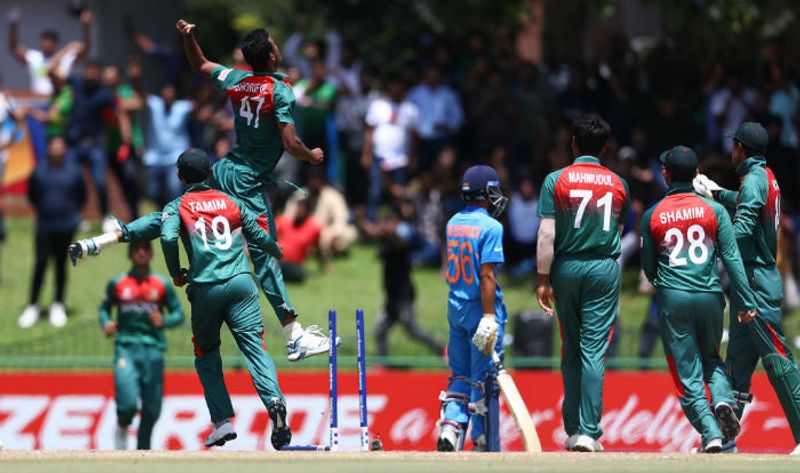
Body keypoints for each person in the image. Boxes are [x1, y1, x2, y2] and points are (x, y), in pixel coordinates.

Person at [69, 22, 333, 363]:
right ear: (272, 55)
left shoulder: (239, 79)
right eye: (275, 44)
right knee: (265, 255)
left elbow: (201, 64)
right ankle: (294, 335)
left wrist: (189, 36)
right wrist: (311, 155)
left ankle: (105, 240)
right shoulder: (279, 90)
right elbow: (289, 142)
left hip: (224, 167)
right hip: (248, 180)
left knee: (175, 212)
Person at [160, 148, 290, 449]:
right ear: (210, 174)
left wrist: (175, 271)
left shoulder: (178, 205)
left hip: (206, 287)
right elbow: (258, 235)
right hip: (241, 283)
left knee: (206, 352)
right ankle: (274, 402)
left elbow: (167, 237)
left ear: (180, 176)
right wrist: (274, 249)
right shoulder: (230, 201)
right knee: (256, 348)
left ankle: (221, 422)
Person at [641, 145, 757, 453]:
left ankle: (711, 435)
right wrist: (745, 299)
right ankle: (722, 400)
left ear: (665, 174)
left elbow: (649, 268)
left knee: (686, 372)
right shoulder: (715, 210)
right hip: (710, 296)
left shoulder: (653, 214)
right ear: (696, 174)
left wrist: (666, 287)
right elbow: (732, 258)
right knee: (711, 360)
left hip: (674, 297)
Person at [695, 122, 800, 455]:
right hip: (749, 283)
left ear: (740, 147)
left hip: (756, 281)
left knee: (778, 361)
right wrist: (715, 192)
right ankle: (724, 441)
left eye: (733, 146)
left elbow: (743, 226)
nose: (731, 151)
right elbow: (745, 202)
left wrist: (713, 243)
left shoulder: (754, 180)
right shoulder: (763, 177)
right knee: (736, 369)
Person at [536, 114, 630, 452]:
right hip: (603, 267)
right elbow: (619, 231)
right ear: (605, 147)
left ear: (573, 143)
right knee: (594, 351)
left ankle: (573, 430)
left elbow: (548, 233)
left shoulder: (555, 180)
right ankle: (590, 432)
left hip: (566, 267)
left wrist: (543, 279)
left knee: (571, 349)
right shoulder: (619, 183)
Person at [437, 164, 508, 452]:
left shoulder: (453, 222)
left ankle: (451, 429)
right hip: (481, 309)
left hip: (456, 306)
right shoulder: (492, 227)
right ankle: (481, 437)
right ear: (485, 193)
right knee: (485, 374)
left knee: (460, 372)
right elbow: (487, 275)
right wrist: (490, 316)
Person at [99, 239, 184, 450]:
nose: (141, 253)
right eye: (136, 249)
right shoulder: (118, 283)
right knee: (127, 404)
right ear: (130, 254)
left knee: (152, 410)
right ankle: (122, 425)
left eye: (145, 249)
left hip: (153, 350)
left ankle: (143, 452)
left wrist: (164, 321)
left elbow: (179, 314)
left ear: (151, 254)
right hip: (126, 348)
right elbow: (104, 308)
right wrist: (106, 322)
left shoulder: (161, 284)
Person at [19, 136, 85, 328]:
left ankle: (58, 304)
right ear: (48, 149)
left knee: (60, 266)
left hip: (66, 227)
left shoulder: (74, 171)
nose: (56, 150)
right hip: (44, 226)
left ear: (65, 149)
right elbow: (32, 195)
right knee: (40, 264)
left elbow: (81, 196)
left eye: (60, 146)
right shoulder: (39, 171)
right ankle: (32, 306)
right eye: (53, 146)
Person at [371, 198, 444, 358]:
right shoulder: (387, 237)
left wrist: (391, 232)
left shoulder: (404, 233)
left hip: (403, 295)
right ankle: (383, 363)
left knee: (412, 330)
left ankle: (443, 350)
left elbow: (402, 244)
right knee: (380, 330)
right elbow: (374, 233)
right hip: (392, 296)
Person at [65, 60, 132, 225]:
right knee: (72, 181)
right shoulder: (76, 83)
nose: (91, 74)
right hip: (75, 144)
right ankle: (76, 217)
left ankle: (105, 217)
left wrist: (126, 140)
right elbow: (54, 73)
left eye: (95, 71)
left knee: (100, 182)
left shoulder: (104, 93)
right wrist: (71, 52)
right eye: (89, 70)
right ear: (84, 71)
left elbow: (120, 114)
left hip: (95, 145)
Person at [361, 77, 419, 221]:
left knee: (399, 192)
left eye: (399, 86)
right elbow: (369, 132)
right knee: (376, 190)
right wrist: (366, 154)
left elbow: (414, 136)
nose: (397, 90)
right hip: (379, 156)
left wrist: (414, 157)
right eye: (394, 86)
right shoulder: (378, 105)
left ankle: (396, 224)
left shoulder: (409, 108)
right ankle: (371, 223)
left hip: (401, 158)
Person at [8, 8, 92, 96]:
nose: (47, 45)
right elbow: (15, 48)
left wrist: (86, 27)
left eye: (50, 42)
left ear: (56, 44)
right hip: (39, 99)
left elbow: (85, 49)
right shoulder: (35, 57)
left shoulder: (66, 58)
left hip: (60, 100)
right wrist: (13, 27)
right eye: (44, 42)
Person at [284, 169, 357, 262]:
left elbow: (341, 219)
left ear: (322, 181)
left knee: (350, 232)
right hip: (302, 233)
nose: (314, 183)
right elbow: (287, 219)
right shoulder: (299, 195)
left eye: (316, 180)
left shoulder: (332, 196)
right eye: (311, 179)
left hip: (326, 234)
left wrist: (330, 234)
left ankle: (322, 251)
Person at [142, 83, 193, 207]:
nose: (168, 96)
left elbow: (198, 105)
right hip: (154, 157)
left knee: (173, 190)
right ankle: (162, 209)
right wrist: (135, 79)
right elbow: (142, 95)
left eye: (171, 93)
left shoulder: (182, 107)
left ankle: (171, 216)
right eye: (166, 93)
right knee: (151, 192)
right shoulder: (155, 105)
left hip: (175, 157)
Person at [406, 65, 464, 171]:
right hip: (421, 140)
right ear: (425, 75)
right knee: (422, 171)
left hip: (442, 138)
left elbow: (458, 117)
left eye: (436, 73)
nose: (433, 76)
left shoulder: (449, 94)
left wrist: (448, 125)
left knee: (445, 169)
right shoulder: (415, 94)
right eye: (430, 73)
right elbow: (407, 117)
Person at [275, 199, 322, 283]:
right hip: (277, 260)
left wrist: (323, 265)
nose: (298, 212)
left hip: (294, 265)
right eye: (297, 209)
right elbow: (268, 233)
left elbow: (317, 248)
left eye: (301, 210)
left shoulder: (313, 228)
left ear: (308, 212)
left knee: (298, 274)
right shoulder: (284, 221)